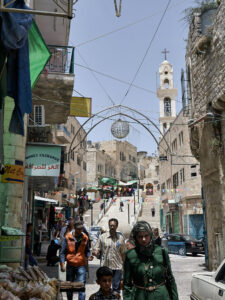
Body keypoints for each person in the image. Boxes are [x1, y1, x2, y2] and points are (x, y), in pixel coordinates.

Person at [123, 221, 178, 300]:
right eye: (140, 236)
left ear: (151, 235)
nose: (144, 239)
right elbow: (126, 284)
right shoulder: (130, 255)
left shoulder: (162, 252)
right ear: (135, 238)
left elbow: (170, 279)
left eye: (146, 235)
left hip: (161, 296)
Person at [60, 221, 92, 300]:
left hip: (81, 265)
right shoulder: (67, 237)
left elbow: (87, 250)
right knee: (69, 287)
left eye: (81, 229)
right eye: (78, 229)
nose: (80, 231)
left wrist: (89, 255)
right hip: (70, 264)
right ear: (74, 229)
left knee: (81, 286)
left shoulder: (85, 237)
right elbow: (62, 252)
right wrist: (62, 264)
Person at [93, 218, 126, 294]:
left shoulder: (120, 239)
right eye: (110, 225)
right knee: (105, 287)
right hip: (106, 266)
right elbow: (97, 247)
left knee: (116, 287)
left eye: (113, 225)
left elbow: (123, 253)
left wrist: (124, 266)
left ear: (117, 226)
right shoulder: (102, 237)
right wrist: (95, 252)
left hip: (117, 267)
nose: (112, 227)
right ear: (108, 226)